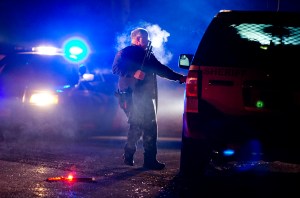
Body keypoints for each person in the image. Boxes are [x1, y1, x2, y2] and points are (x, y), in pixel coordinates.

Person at [112, 27, 186, 170]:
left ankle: (139, 157)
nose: (148, 41)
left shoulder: (147, 55)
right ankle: (140, 157)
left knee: (143, 125)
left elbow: (160, 69)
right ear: (138, 39)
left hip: (144, 96)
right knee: (143, 125)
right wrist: (134, 73)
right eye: (145, 38)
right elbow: (115, 68)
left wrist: (179, 78)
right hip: (129, 95)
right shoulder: (125, 52)